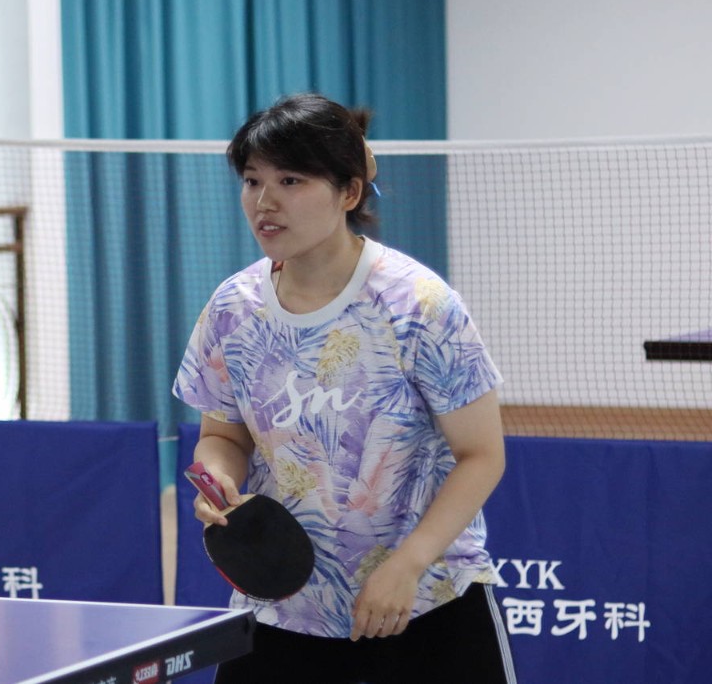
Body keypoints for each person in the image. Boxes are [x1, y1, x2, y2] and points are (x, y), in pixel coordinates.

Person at [173, 93, 516, 683]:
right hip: (285, 608)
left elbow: (482, 455)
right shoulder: (233, 309)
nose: (265, 201)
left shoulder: (419, 305)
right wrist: (219, 479)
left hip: (425, 600)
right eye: (252, 180)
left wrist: (407, 564)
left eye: (291, 180)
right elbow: (222, 436)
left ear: (349, 192)